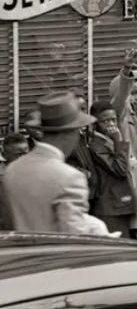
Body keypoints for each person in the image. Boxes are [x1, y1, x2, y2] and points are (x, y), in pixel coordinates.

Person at [5, 93, 111, 235]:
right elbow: (76, 233)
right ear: (69, 133)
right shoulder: (70, 177)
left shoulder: (13, 169)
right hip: (56, 249)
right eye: (77, 132)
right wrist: (99, 228)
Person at [109, 48, 137, 236]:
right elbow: (120, 100)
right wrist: (127, 71)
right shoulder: (121, 115)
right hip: (129, 178)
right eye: (134, 93)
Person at [88, 100, 137, 236]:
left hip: (119, 204)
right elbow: (120, 169)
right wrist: (118, 140)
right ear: (95, 124)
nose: (111, 125)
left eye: (113, 120)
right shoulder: (96, 145)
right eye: (105, 121)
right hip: (109, 207)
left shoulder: (106, 140)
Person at [0, 133, 30, 230]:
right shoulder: (2, 177)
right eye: (18, 154)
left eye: (26, 153)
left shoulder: (35, 173)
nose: (23, 158)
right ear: (4, 155)